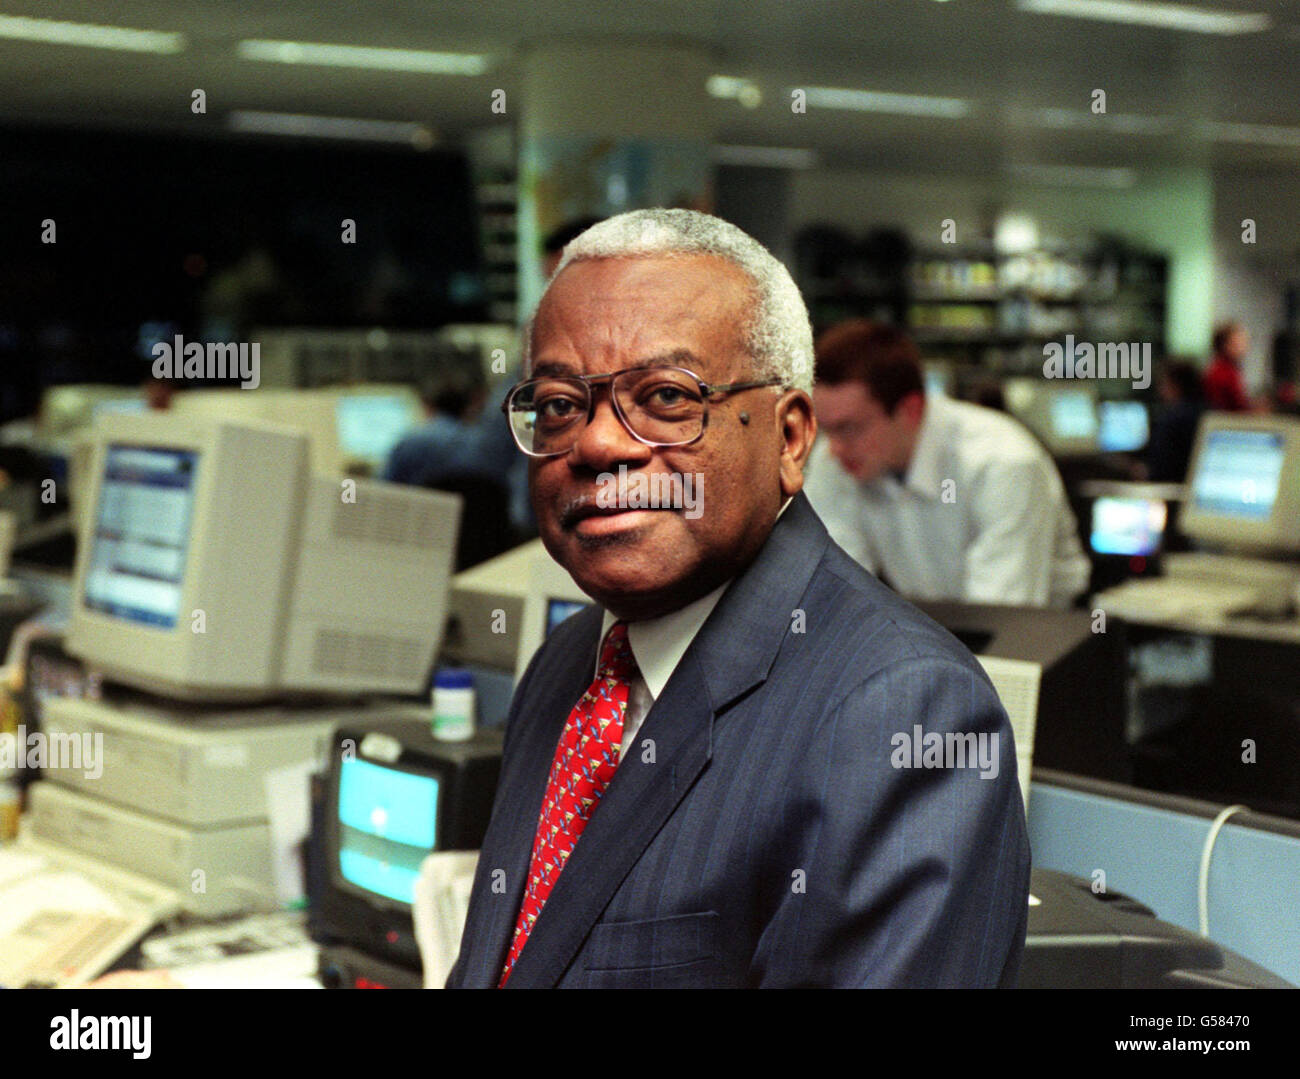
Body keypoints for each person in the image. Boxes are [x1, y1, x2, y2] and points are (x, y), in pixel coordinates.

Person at [447, 209, 1030, 989]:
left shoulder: (902, 712)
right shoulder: (566, 666)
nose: (595, 444)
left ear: (790, 440)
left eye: (664, 397)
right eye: (558, 404)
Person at [802, 320, 1090, 609]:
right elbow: (835, 597)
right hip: (932, 632)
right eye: (826, 429)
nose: (834, 448)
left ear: (910, 410)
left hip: (1042, 639)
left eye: (850, 428)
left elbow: (999, 615)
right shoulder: (835, 459)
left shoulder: (1003, 463)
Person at [1144, 358, 1205, 483]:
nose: (1160, 391)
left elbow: (1158, 471)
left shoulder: (1170, 420)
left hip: (1169, 492)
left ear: (1175, 385)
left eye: (1163, 384)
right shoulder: (1209, 412)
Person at [1203, 322, 1252, 412]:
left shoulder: (1230, 369)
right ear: (1225, 345)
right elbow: (1236, 406)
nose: (1244, 347)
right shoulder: (1222, 372)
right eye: (1238, 343)